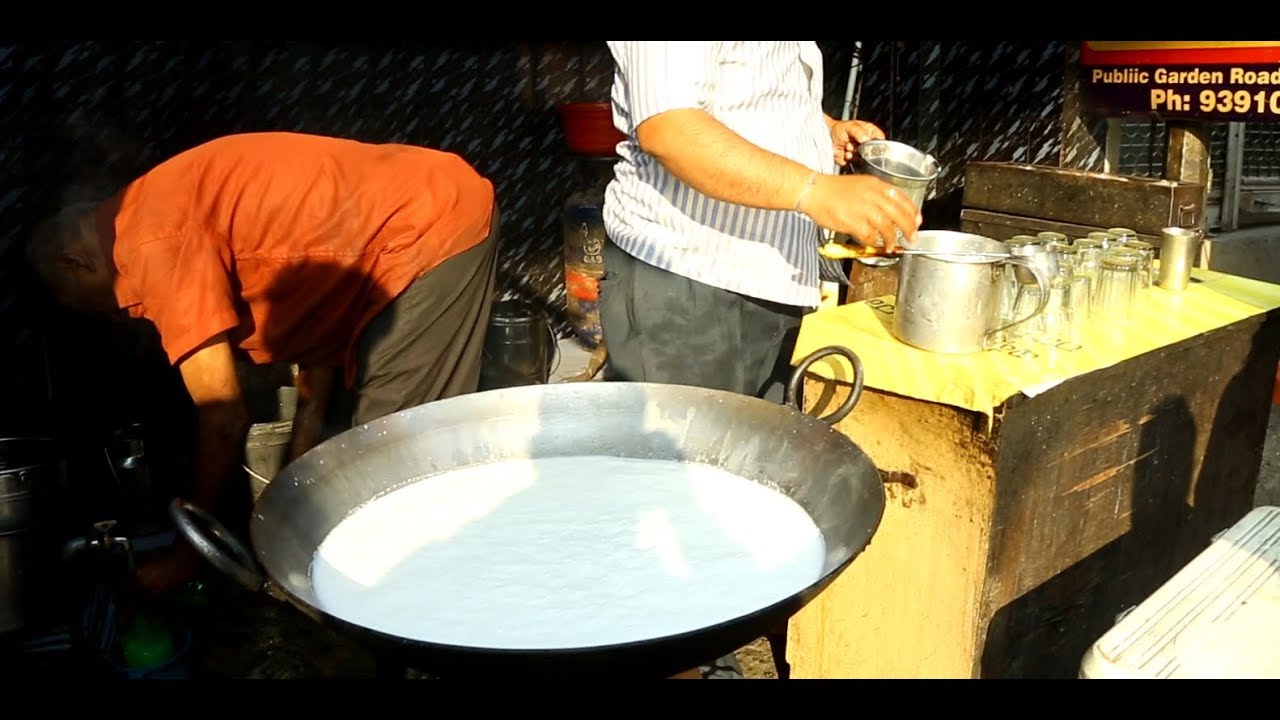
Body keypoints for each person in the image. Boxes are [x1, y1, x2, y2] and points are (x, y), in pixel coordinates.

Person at [27, 132, 500, 596]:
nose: (114, 314)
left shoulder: (153, 242)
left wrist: (187, 556)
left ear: (75, 262)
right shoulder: (150, 209)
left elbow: (223, 419)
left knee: (393, 455)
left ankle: (421, 604)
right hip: (422, 209)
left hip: (427, 228)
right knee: (387, 457)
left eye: (91, 304)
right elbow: (316, 312)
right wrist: (301, 453)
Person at [600, 42, 922, 679]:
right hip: (689, 279)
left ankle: (713, 653)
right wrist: (816, 190)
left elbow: (740, 88)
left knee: (737, 499)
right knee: (670, 514)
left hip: (762, 281)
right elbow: (670, 126)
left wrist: (818, 130)